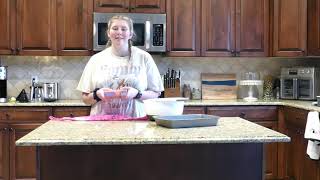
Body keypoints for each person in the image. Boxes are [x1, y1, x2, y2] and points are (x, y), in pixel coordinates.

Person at [77, 15, 164, 117]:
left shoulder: (144, 58)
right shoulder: (96, 60)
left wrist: (137, 94)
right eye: (115, 28)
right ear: (108, 33)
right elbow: (85, 99)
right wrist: (97, 95)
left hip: (136, 125)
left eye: (124, 29)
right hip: (101, 125)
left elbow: (156, 94)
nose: (119, 32)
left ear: (130, 34)